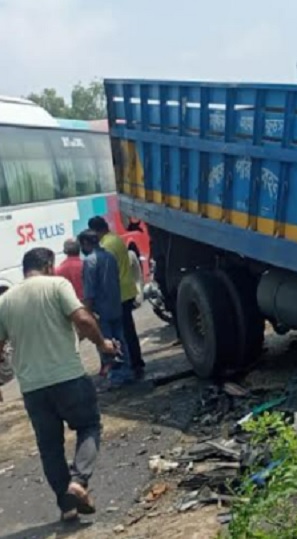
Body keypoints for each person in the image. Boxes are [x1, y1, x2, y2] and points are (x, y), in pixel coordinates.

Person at [0, 247, 121, 522]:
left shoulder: (4, 301)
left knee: (50, 447)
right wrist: (103, 344)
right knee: (89, 426)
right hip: (68, 378)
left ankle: (67, 508)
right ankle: (78, 482)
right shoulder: (57, 285)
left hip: (32, 388)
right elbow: (83, 319)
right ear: (48, 266)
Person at [87, 217, 144, 378]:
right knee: (129, 331)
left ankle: (131, 365)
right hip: (126, 290)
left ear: (95, 231)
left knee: (122, 334)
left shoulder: (106, 246)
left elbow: (106, 273)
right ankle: (136, 362)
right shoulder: (115, 239)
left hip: (118, 293)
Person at [80, 231, 133, 388]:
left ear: (85, 243)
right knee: (120, 339)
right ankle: (126, 371)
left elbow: (89, 290)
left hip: (101, 309)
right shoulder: (110, 256)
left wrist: (87, 311)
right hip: (115, 305)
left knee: (106, 343)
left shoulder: (90, 261)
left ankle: (116, 377)